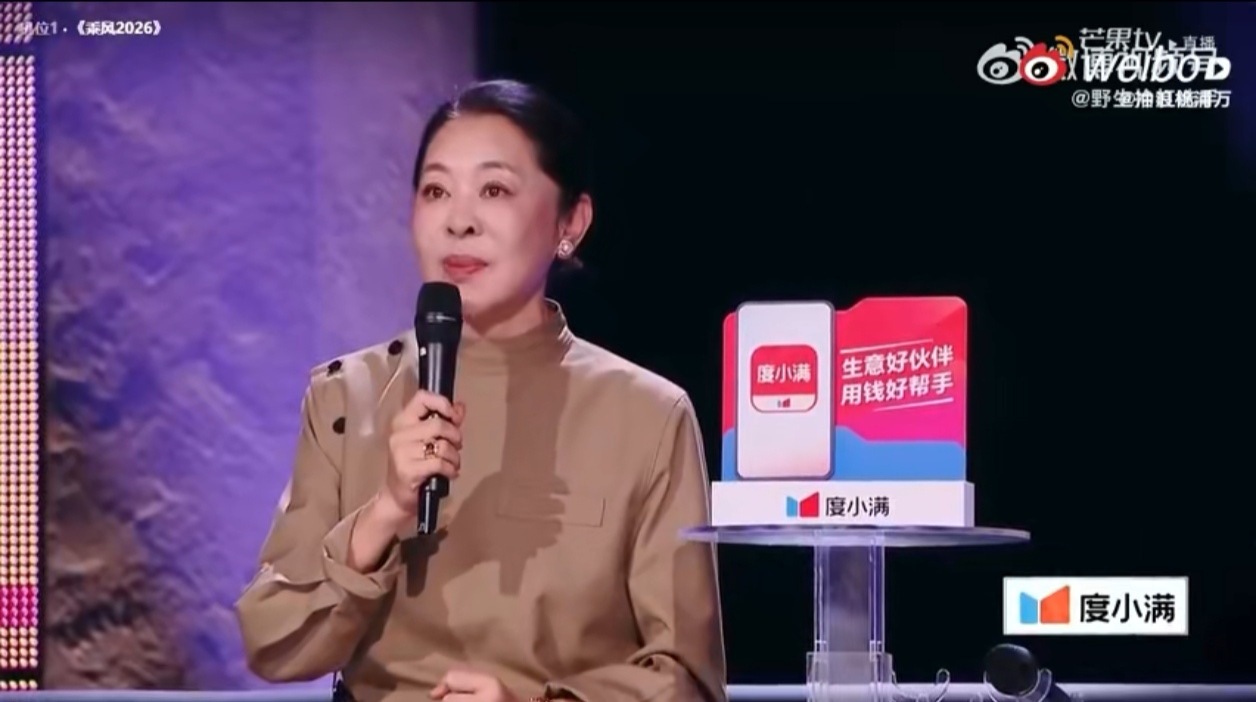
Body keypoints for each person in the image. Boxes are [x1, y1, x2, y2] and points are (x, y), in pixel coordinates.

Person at [234, 79, 727, 702]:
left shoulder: (648, 415)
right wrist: (384, 511)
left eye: (494, 190)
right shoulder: (346, 397)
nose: (459, 222)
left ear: (570, 222)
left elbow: (687, 677)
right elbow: (273, 641)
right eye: (436, 191)